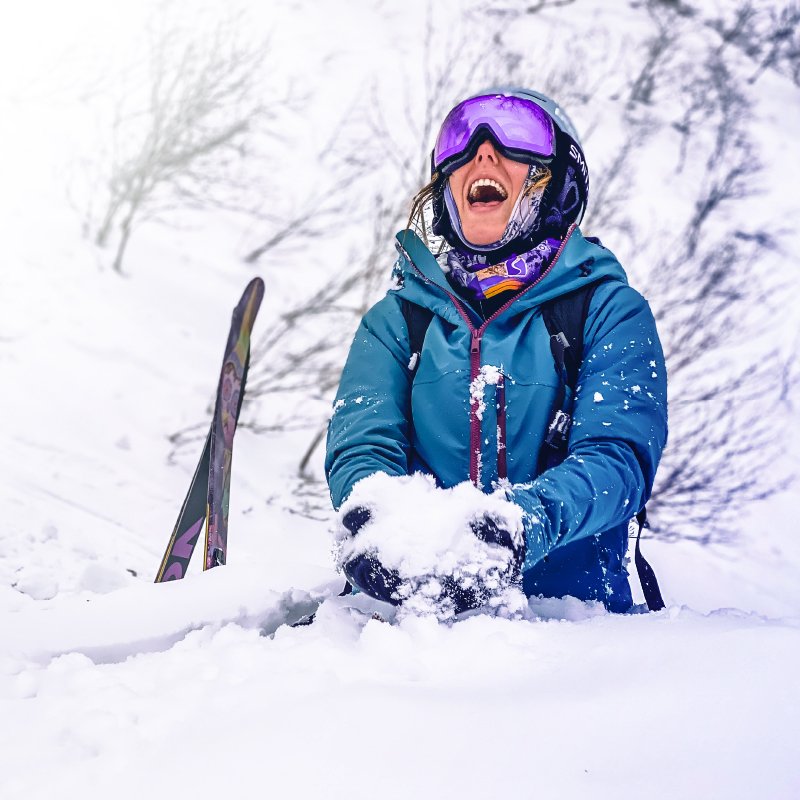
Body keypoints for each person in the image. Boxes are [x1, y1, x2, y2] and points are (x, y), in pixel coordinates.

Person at [325, 88, 668, 613]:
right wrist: (375, 519)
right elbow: (363, 446)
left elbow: (618, 460)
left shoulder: (608, 311)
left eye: (519, 137)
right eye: (459, 139)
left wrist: (518, 527)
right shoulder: (397, 321)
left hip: (573, 640)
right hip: (401, 641)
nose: (482, 153)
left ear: (557, 183)